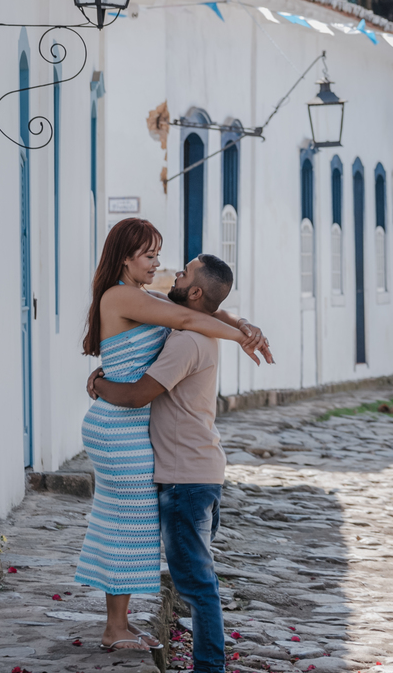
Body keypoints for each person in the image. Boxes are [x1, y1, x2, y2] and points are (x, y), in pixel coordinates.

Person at [76, 218, 271, 649]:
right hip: (118, 424)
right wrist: (241, 339)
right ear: (124, 258)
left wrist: (244, 324)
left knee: (126, 522)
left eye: (158, 255)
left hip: (126, 423)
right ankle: (114, 628)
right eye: (149, 255)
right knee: (126, 523)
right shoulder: (121, 296)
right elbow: (186, 315)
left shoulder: (145, 296)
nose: (157, 263)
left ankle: (119, 624)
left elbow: (202, 310)